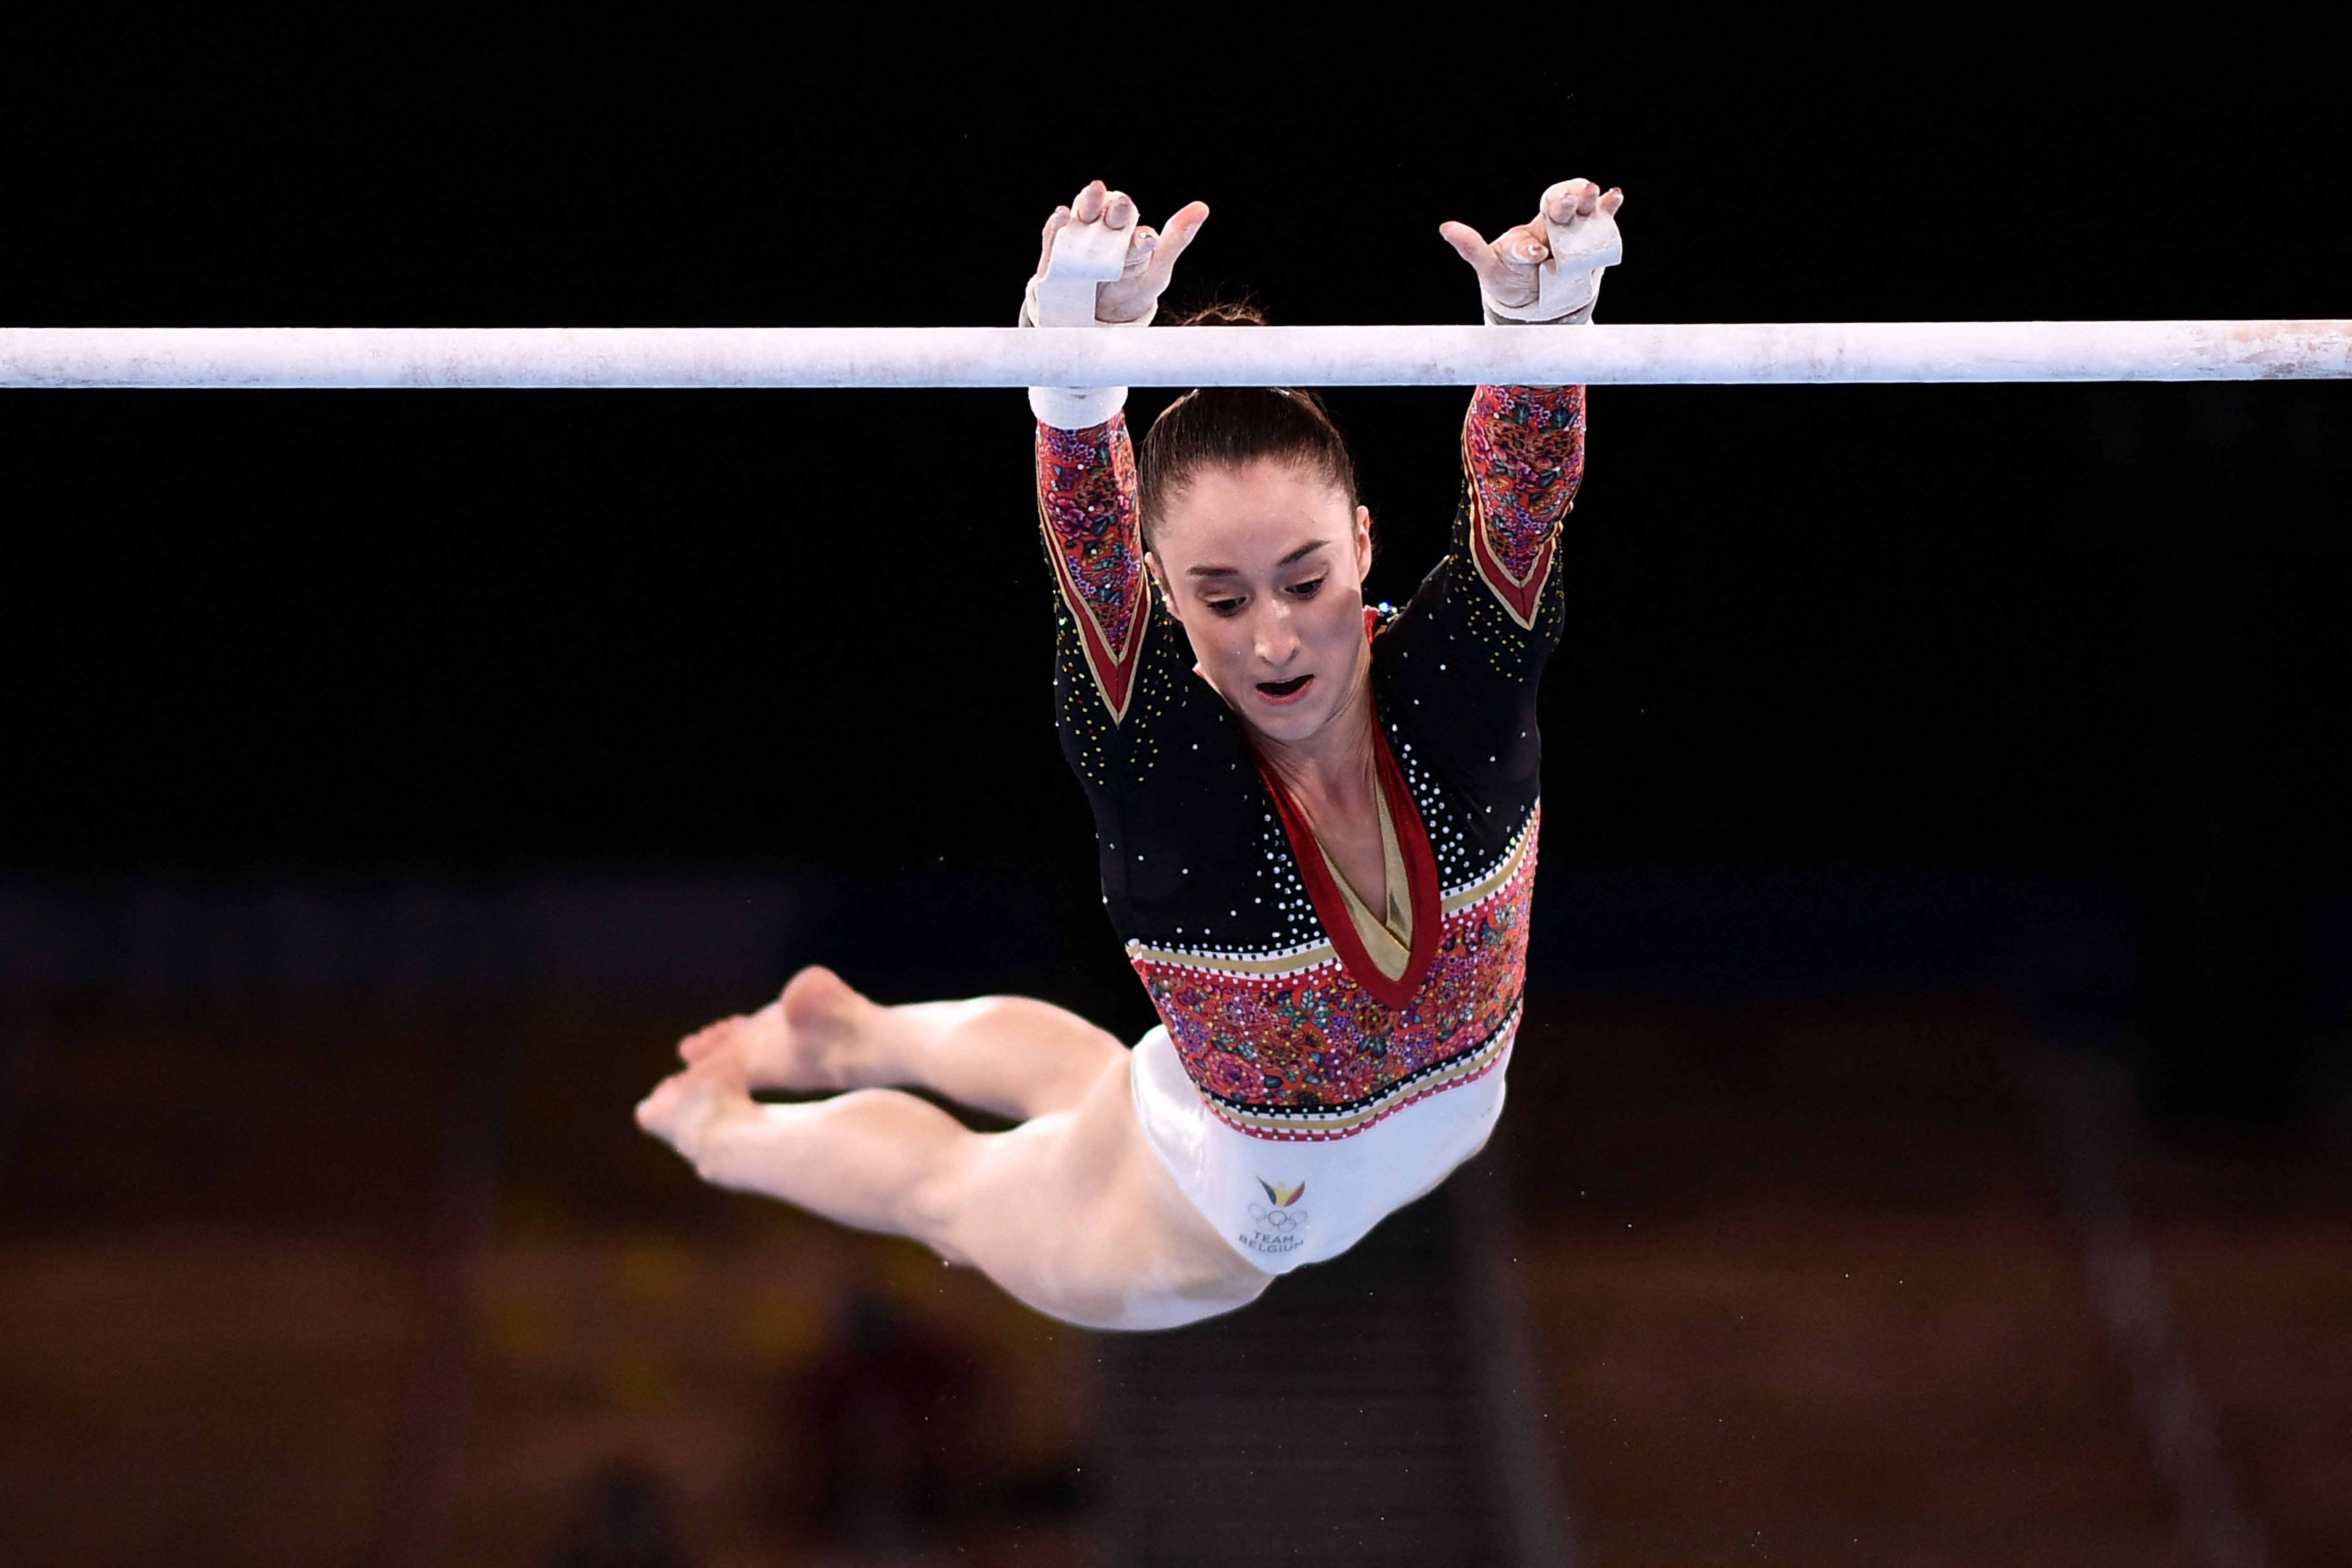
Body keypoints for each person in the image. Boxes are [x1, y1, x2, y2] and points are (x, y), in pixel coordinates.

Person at [637, 175, 1622, 1331]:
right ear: (1165, 597)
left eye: (1305, 581)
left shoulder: (1459, 694)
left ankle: (862, 1034)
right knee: (949, 1191)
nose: (1273, 638)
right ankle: (718, 1127)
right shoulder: (1166, 775)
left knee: (1102, 1093)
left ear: (1364, 543)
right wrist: (1073, 381)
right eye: (1223, 599)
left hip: (1315, 1131)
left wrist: (1542, 331)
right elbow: (1092, 565)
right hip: (1219, 1210)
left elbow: (1522, 502)